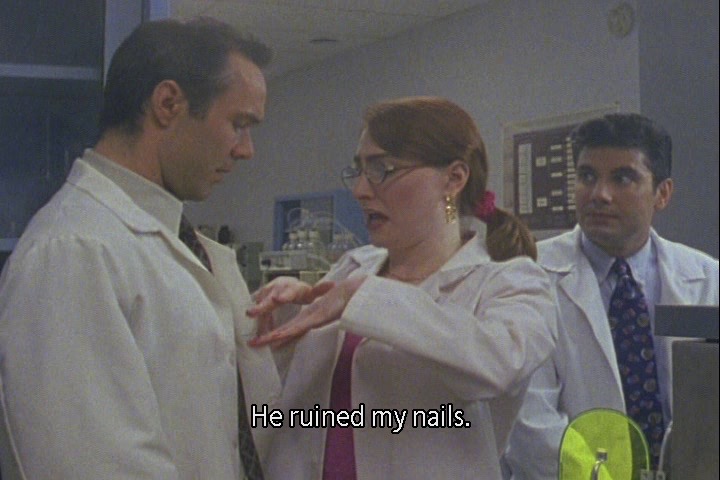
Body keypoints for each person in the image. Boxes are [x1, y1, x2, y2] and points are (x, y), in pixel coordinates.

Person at [0, 18, 280, 479]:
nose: (246, 149)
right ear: (168, 104)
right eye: (239, 124)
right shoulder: (73, 251)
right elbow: (94, 466)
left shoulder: (177, 243)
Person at [247, 96, 558, 479]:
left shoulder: (511, 282)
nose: (360, 189)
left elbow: (498, 363)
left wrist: (363, 296)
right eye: (360, 170)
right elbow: (295, 405)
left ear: (453, 179)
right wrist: (283, 313)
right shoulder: (353, 267)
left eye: (382, 169)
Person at [502, 113, 719, 479]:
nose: (599, 194)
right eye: (587, 176)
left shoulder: (708, 278)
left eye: (622, 178)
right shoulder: (528, 277)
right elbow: (530, 425)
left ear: (662, 193)